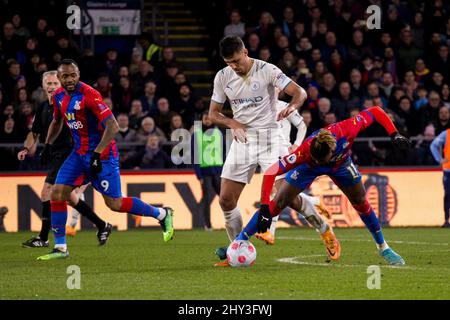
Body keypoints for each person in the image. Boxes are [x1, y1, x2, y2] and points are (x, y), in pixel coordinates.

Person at [208, 36, 338, 266]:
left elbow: (300, 93)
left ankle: (323, 227)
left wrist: (292, 106)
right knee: (226, 200)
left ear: (245, 52)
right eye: (229, 63)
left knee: (283, 196)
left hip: (271, 139)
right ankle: (236, 248)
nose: (234, 67)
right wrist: (232, 123)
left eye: (237, 61)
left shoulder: (267, 70)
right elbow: (213, 114)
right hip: (243, 141)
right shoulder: (222, 77)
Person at [236, 106, 411, 266]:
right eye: (317, 158)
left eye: (322, 159)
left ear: (331, 150)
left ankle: (383, 247)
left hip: (341, 165)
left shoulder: (347, 129)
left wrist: (394, 133)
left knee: (360, 201)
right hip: (307, 167)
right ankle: (239, 241)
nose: (320, 161)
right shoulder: (304, 152)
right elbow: (270, 172)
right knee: (279, 202)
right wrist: (265, 206)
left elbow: (375, 111)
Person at [36, 59, 174, 260]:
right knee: (57, 192)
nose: (70, 79)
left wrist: (97, 154)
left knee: (115, 204)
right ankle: (60, 248)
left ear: (79, 74)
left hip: (104, 156)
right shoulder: (58, 97)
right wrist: (48, 145)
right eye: (65, 76)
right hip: (79, 154)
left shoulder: (90, 95)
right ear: (59, 78)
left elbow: (113, 126)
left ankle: (161, 214)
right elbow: (57, 121)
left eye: (73, 75)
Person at [17, 70, 111, 248]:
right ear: (43, 86)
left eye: (54, 84)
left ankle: (44, 238)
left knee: (48, 192)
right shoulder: (43, 107)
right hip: (54, 153)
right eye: (48, 84)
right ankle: (101, 224)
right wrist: (26, 147)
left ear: (60, 84)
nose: (51, 87)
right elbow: (34, 132)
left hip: (69, 152)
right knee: (68, 196)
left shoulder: (67, 104)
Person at [430, 128, 450, 227]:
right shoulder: (446, 133)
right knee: (448, 195)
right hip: (448, 170)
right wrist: (439, 159)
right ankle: (446, 220)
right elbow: (433, 145)